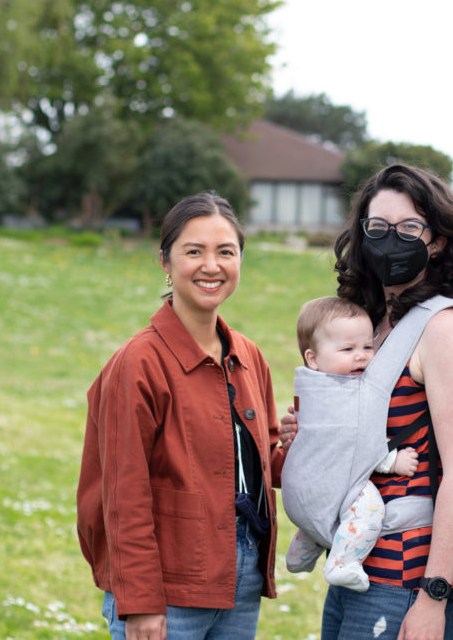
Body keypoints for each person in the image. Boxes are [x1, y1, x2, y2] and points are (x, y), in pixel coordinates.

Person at [280, 163, 453, 640]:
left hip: (407, 577)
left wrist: (434, 595)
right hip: (358, 564)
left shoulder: (445, 328)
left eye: (409, 228)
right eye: (377, 228)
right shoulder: (373, 325)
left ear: (436, 240)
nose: (389, 239)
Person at [76, 192, 286, 640]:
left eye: (225, 252)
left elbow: (272, 459)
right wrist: (140, 601)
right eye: (194, 251)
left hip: (241, 577)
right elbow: (122, 496)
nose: (211, 266)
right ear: (165, 263)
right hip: (167, 589)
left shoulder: (248, 355)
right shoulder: (137, 364)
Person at [284, 296, 420, 591]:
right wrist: (392, 461)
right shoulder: (348, 395)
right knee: (367, 505)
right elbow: (357, 439)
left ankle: (304, 547)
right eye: (348, 349)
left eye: (368, 347)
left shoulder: (310, 386)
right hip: (327, 488)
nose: (361, 357)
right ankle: (343, 561)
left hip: (299, 490)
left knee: (324, 508)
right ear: (313, 358)